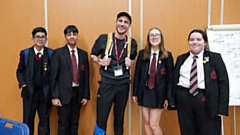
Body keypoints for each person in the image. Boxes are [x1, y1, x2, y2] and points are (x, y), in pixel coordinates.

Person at [168, 29, 229, 135]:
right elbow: (173, 80)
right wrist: (171, 100)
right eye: (191, 40)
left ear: (205, 42)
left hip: (207, 100)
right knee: (187, 131)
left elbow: (224, 83)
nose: (195, 42)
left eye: (198, 39)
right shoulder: (182, 58)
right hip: (184, 99)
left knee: (209, 131)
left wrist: (222, 108)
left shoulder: (215, 58)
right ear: (188, 43)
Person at [91, 12, 138, 135]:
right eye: (120, 21)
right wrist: (100, 61)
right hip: (107, 83)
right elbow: (92, 55)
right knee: (101, 118)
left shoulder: (132, 43)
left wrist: (131, 63)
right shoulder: (104, 38)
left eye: (126, 22)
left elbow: (133, 59)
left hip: (123, 84)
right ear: (115, 23)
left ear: (129, 26)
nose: (122, 24)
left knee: (119, 119)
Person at [50, 25, 90, 135]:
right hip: (63, 94)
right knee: (63, 123)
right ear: (65, 36)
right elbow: (53, 76)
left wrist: (86, 95)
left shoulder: (83, 54)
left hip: (78, 93)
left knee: (74, 122)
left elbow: (86, 76)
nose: (72, 37)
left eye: (74, 34)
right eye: (69, 34)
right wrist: (54, 96)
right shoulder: (58, 53)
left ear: (77, 36)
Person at [133, 28, 174, 135]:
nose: (154, 37)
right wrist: (135, 93)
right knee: (146, 122)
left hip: (159, 93)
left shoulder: (167, 56)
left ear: (161, 38)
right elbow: (137, 75)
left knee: (153, 124)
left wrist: (168, 97)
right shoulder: (142, 54)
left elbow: (170, 79)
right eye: (151, 35)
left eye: (157, 35)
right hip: (145, 91)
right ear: (148, 38)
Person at [16, 27, 52, 135]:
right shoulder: (25, 53)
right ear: (32, 39)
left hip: (45, 94)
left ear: (46, 39)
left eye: (43, 37)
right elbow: (19, 71)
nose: (40, 39)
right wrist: (23, 84)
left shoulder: (51, 54)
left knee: (44, 122)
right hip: (29, 94)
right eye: (37, 37)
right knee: (27, 121)